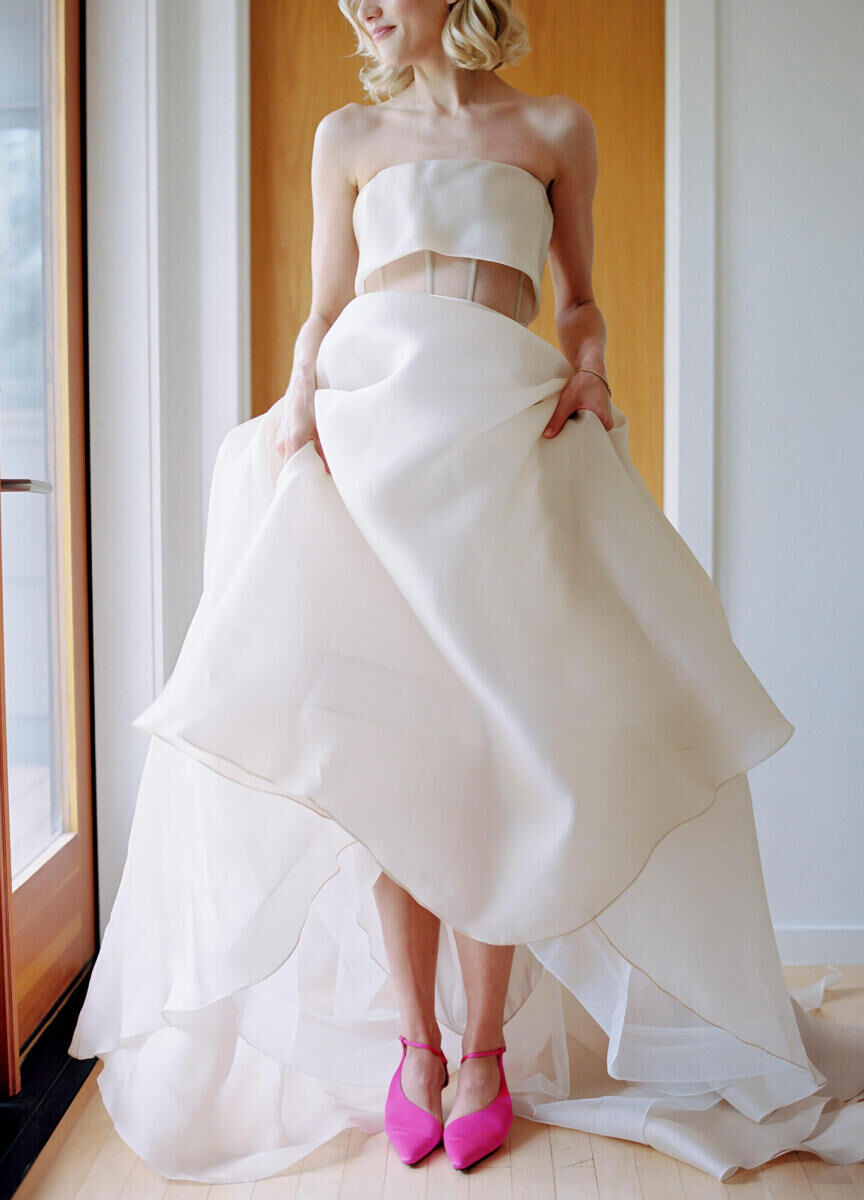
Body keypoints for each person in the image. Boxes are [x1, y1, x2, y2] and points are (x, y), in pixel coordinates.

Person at [68, 0, 864, 1185]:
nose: (363, 9)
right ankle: (416, 1050)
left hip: (504, 449)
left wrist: (590, 368)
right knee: (394, 762)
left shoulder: (554, 128)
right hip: (375, 451)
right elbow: (326, 306)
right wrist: (295, 401)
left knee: (498, 757)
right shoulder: (348, 135)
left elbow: (578, 295)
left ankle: (486, 1052)